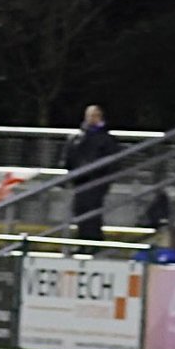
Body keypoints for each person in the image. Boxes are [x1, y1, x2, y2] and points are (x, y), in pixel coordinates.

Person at [62, 104, 122, 245]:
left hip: (97, 181)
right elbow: (68, 159)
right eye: (89, 115)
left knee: (93, 213)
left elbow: (113, 162)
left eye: (95, 115)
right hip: (80, 181)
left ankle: (93, 243)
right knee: (80, 211)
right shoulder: (76, 137)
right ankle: (83, 242)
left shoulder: (106, 139)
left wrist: (105, 180)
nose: (92, 118)